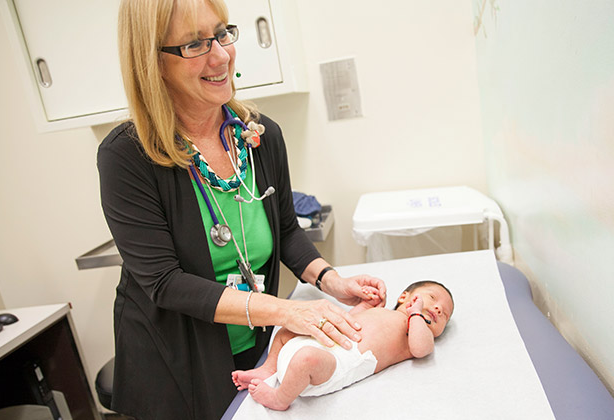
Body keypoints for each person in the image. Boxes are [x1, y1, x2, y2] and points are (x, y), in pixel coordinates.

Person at [97, 1, 386, 419]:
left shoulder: (260, 137)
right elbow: (164, 282)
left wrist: (331, 281)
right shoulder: (128, 156)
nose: (220, 55)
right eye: (194, 44)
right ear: (153, 62)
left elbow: (286, 229)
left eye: (221, 33)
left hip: (254, 342)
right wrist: (288, 309)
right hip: (175, 359)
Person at [232, 280, 454, 411]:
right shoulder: (382, 312)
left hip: (332, 364)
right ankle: (268, 369)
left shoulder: (413, 331)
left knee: (307, 359)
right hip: (321, 339)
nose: (437, 309)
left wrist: (417, 315)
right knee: (286, 329)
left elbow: (421, 349)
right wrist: (367, 303)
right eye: (432, 298)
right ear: (405, 297)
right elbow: (348, 318)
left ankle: (280, 398)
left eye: (444, 314)